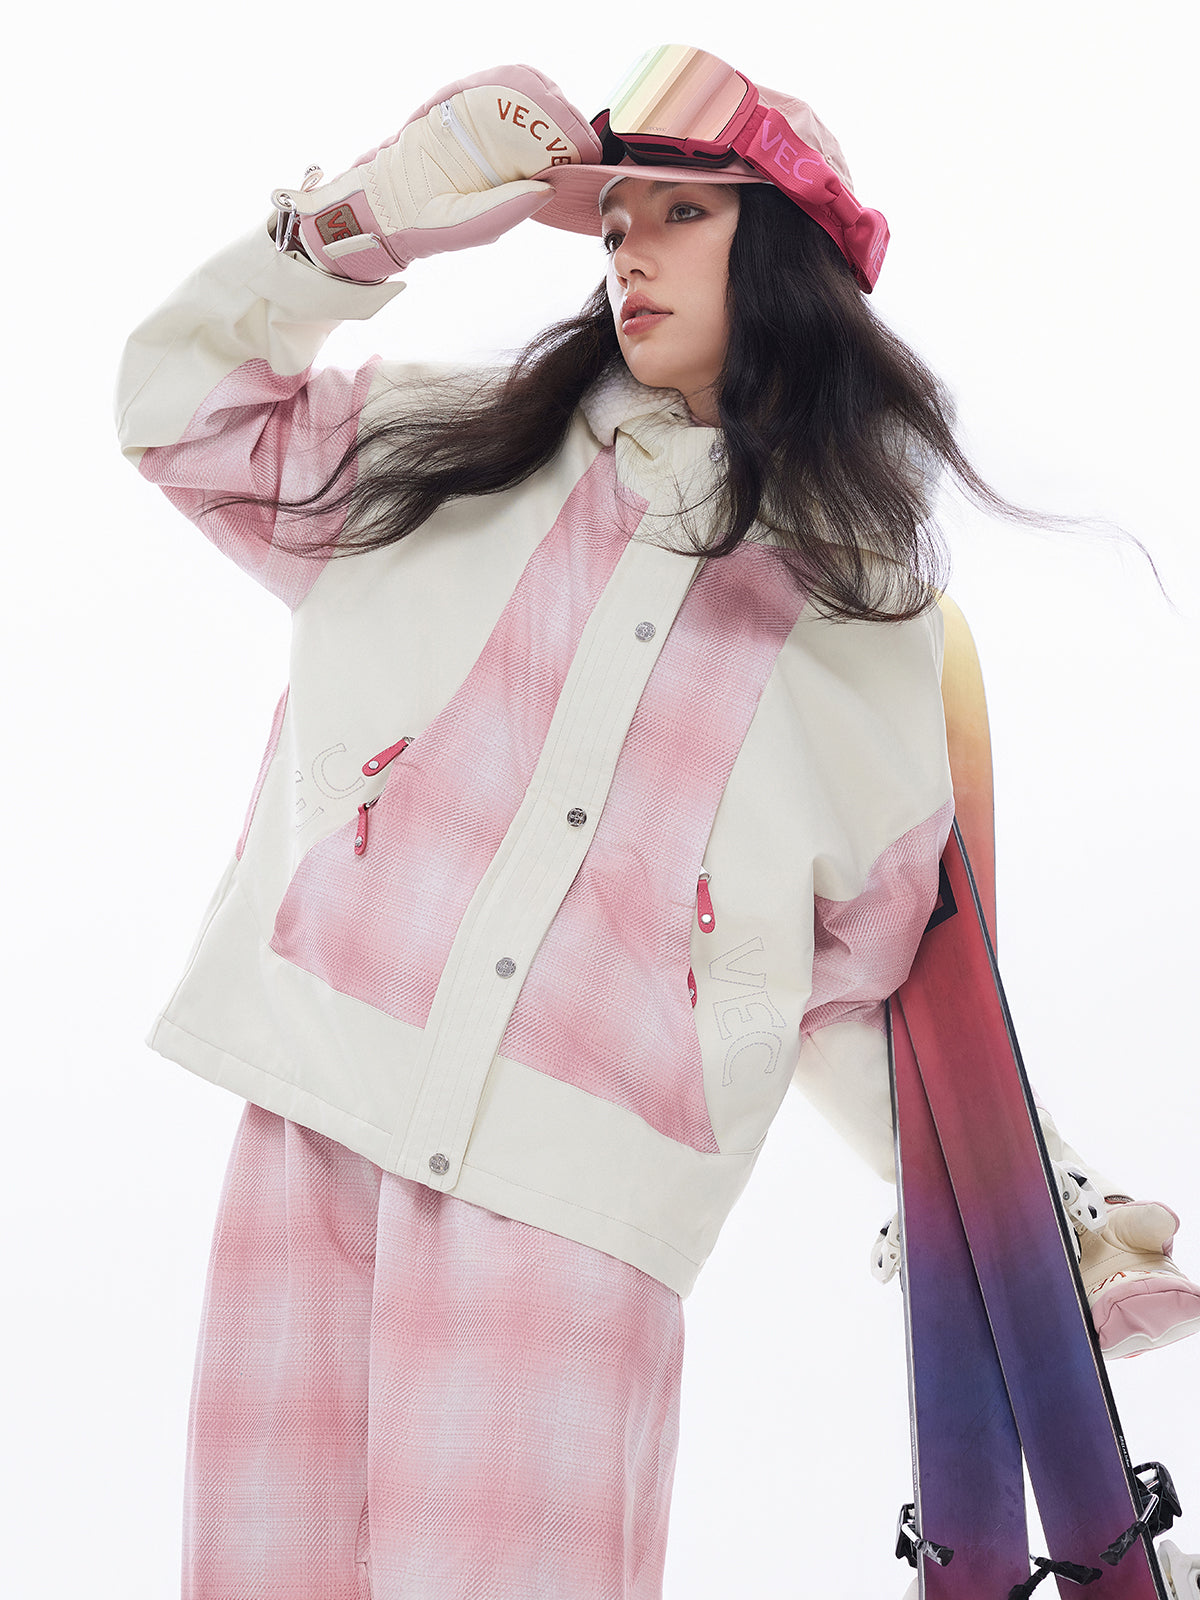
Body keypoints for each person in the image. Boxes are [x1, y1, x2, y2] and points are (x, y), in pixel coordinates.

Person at [115, 48, 1200, 1600]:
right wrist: (364, 218)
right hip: (311, 1138)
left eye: (683, 212)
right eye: (616, 221)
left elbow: (863, 995)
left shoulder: (857, 625)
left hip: (569, 1222)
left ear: (792, 255)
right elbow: (175, 414)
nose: (629, 251)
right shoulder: (440, 452)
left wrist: (1040, 1216)